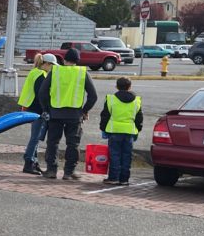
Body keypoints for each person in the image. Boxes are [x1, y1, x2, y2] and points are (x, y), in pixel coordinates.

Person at [35, 47, 97, 180]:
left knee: (53, 142)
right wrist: (84, 110)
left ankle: (52, 170)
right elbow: (93, 96)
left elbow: (42, 93)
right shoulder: (82, 72)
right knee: (73, 144)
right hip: (74, 115)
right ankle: (69, 172)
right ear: (77, 60)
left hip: (55, 113)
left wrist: (46, 108)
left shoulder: (55, 71)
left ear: (65, 59)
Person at [99, 77, 143, 186]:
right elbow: (139, 118)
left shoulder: (111, 99)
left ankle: (113, 178)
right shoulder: (137, 100)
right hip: (129, 132)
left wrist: (103, 128)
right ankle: (124, 179)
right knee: (127, 156)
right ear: (130, 87)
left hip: (114, 131)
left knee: (114, 155)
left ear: (116, 86)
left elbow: (105, 115)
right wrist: (138, 128)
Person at [18, 53, 56, 174]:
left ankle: (34, 162)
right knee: (35, 137)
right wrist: (46, 109)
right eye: (52, 65)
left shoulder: (34, 71)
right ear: (47, 64)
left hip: (30, 107)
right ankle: (29, 162)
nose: (52, 68)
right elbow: (41, 95)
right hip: (37, 109)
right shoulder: (42, 75)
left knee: (36, 137)